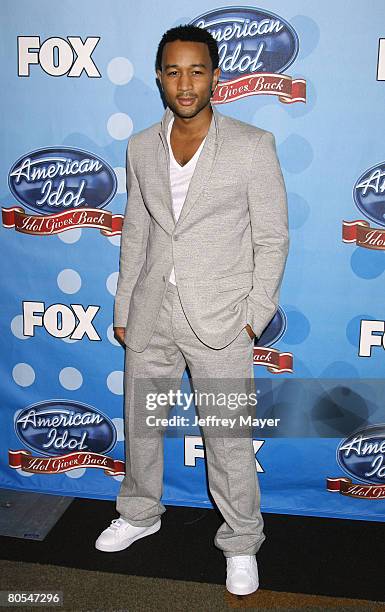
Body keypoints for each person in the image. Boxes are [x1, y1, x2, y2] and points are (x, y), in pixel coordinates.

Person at [95, 24, 289, 596]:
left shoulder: (253, 145)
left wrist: (254, 311)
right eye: (174, 71)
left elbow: (273, 238)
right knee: (143, 424)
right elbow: (137, 232)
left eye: (197, 70)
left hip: (222, 318)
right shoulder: (139, 146)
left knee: (228, 437)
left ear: (215, 76)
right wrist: (126, 302)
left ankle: (241, 540)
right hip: (151, 311)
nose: (186, 83)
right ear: (160, 76)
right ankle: (139, 513)